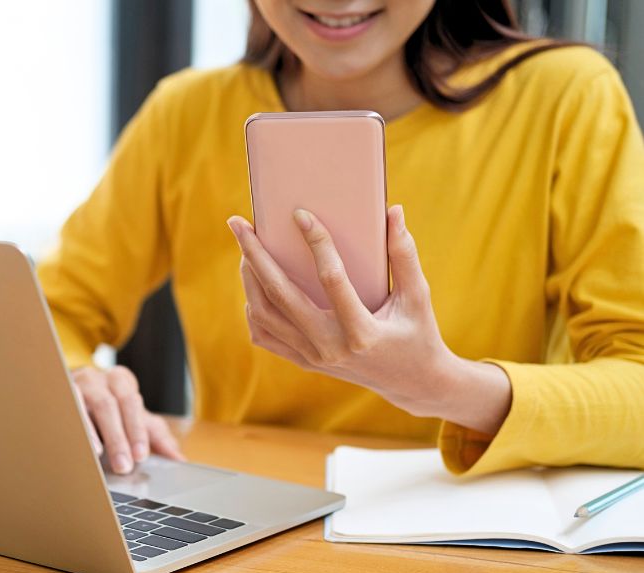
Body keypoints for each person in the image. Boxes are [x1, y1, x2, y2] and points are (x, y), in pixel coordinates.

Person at [36, 0, 644, 477]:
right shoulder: (186, 113)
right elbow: (48, 311)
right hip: (245, 536)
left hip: (474, 542)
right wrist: (70, 376)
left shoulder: (565, 97)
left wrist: (442, 386)